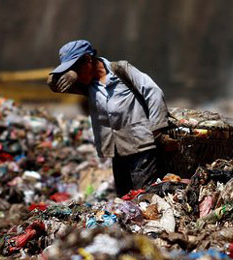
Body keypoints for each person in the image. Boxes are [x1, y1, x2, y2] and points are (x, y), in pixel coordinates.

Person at [47, 39, 170, 197]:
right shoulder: (87, 84)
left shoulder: (121, 70)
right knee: (124, 198)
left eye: (75, 68)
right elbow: (53, 85)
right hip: (117, 150)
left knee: (144, 196)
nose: (75, 75)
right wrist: (69, 74)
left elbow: (153, 92)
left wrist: (157, 130)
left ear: (87, 60)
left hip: (141, 146)